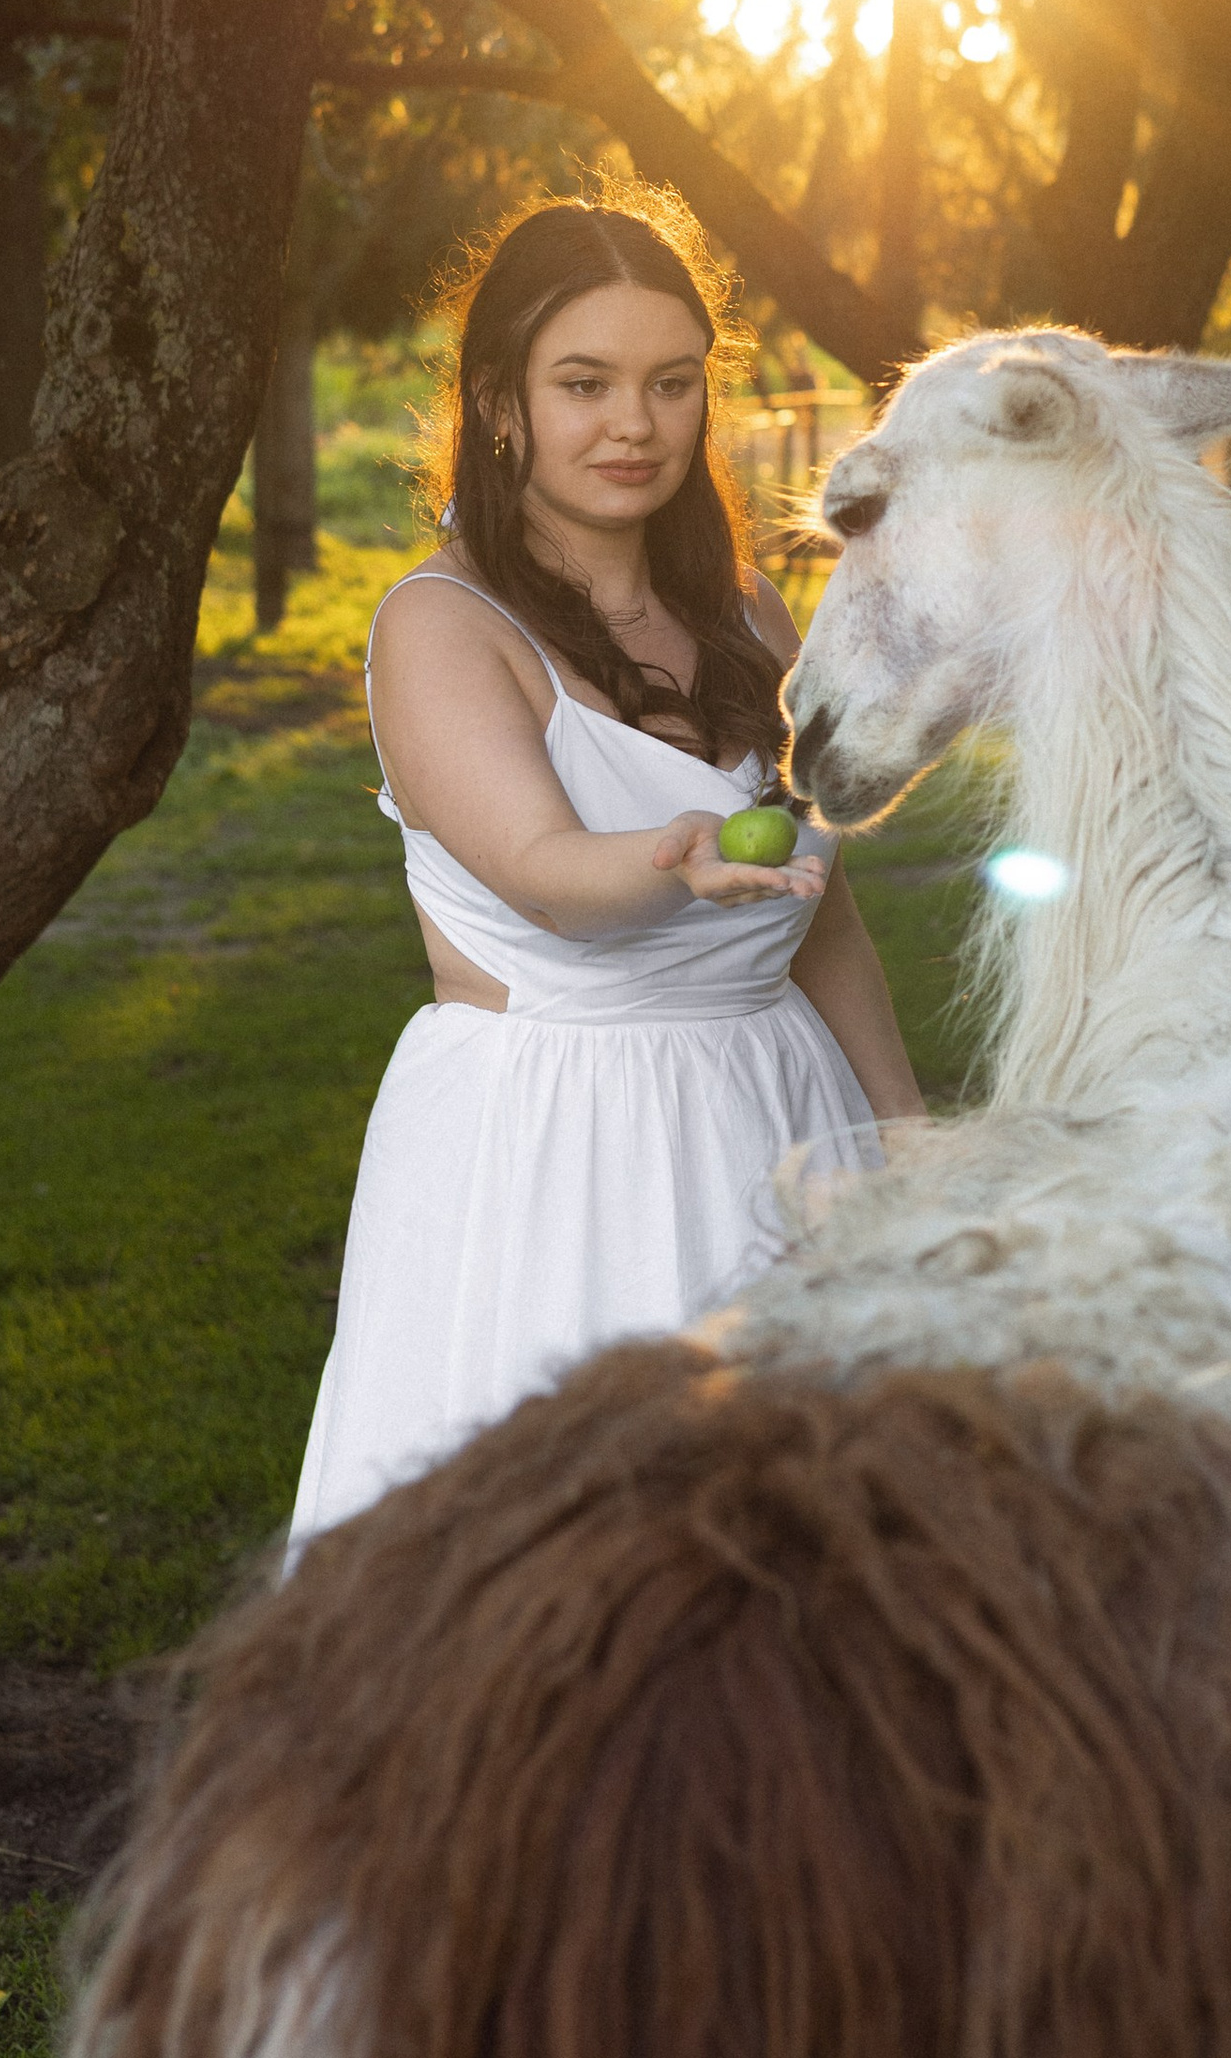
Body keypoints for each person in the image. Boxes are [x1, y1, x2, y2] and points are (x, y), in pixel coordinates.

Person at [286, 194, 923, 1554]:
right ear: (499, 401)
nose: (635, 425)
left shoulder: (749, 611)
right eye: (586, 384)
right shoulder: (441, 625)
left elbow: (823, 914)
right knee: (581, 1565)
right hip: (563, 1146)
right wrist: (676, 858)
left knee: (800, 1550)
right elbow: (541, 871)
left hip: (783, 1108)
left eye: (671, 384)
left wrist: (899, 1129)